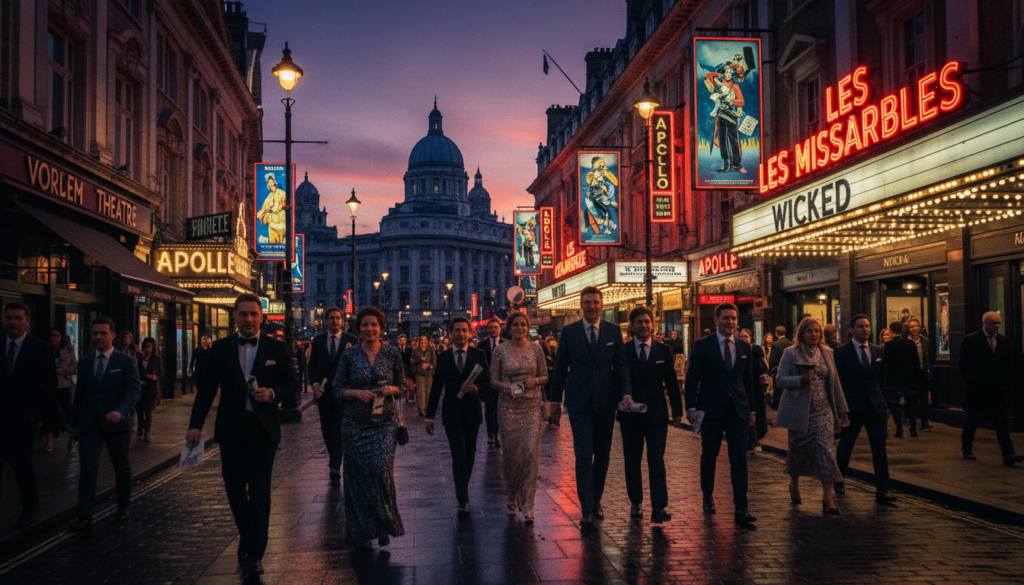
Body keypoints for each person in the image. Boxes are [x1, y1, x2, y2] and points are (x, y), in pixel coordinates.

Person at [186, 294, 294, 576]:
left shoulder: (276, 348)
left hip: (263, 429)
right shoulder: (220, 348)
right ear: (235, 316)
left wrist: (272, 393)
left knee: (259, 492)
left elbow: (291, 385)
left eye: (253, 314)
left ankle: (255, 553)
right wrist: (195, 424)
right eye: (243, 314)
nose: (248, 319)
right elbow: (207, 388)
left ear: (262, 317)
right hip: (232, 428)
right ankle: (247, 535)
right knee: (233, 488)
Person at [549, 287, 632, 526]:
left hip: (606, 402)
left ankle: (596, 500)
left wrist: (626, 392)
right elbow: (560, 366)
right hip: (579, 403)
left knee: (603, 455)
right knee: (584, 454)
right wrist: (554, 401)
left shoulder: (614, 331)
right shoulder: (569, 331)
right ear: (581, 305)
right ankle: (586, 507)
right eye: (587, 302)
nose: (592, 306)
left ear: (602, 304)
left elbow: (622, 365)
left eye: (596, 302)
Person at [332, 307, 405, 550]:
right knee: (357, 476)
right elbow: (337, 388)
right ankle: (363, 527)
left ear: (380, 327)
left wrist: (391, 390)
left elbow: (402, 386)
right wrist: (356, 393)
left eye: (374, 325)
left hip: (384, 421)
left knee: (380, 470)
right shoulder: (349, 355)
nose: (369, 329)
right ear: (358, 328)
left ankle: (383, 522)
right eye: (365, 325)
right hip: (355, 423)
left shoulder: (392, 353)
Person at [685, 303, 757, 524]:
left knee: (739, 458)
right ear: (716, 321)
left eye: (734, 318)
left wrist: (752, 410)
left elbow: (748, 381)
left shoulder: (745, 347)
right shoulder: (702, 345)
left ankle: (741, 508)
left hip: (738, 410)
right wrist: (691, 406)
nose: (730, 322)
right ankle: (707, 496)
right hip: (711, 409)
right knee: (710, 455)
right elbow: (692, 378)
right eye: (726, 318)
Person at [69, 316, 141, 533]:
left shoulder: (126, 361)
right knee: (88, 470)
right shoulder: (85, 362)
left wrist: (120, 411)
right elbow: (80, 395)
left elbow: (134, 390)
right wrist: (74, 424)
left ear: (113, 335)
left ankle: (123, 506)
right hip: (90, 423)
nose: (98, 337)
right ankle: (85, 516)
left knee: (121, 467)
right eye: (94, 333)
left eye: (102, 333)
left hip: (117, 424)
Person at [776, 317, 850, 514]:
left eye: (817, 331)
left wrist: (842, 410)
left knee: (826, 451)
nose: (814, 334)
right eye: (809, 331)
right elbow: (780, 379)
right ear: (801, 333)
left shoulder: (827, 353)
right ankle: (794, 483)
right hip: (799, 413)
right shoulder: (790, 353)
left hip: (823, 411)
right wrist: (800, 379)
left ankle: (828, 497)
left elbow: (835, 384)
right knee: (797, 452)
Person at [620, 307, 682, 523]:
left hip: (657, 415)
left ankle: (658, 507)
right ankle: (635, 503)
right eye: (639, 322)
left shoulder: (663, 350)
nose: (643, 325)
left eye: (647, 321)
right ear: (632, 325)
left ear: (653, 324)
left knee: (656, 460)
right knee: (632, 461)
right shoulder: (624, 350)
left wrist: (677, 410)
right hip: (631, 416)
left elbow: (671, 381)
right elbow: (617, 379)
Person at [425, 317, 490, 518]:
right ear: (450, 333)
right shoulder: (443, 357)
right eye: (457, 331)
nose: (460, 334)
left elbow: (488, 384)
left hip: (472, 411)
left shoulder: (479, 354)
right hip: (451, 412)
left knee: (470, 454)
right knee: (458, 455)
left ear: (469, 333)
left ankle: (463, 485)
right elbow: (436, 387)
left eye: (464, 330)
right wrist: (429, 415)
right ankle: (463, 499)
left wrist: (476, 388)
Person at [2, 303, 57, 528]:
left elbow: (49, 385)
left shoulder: (40, 348)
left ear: (27, 321)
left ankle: (29, 508)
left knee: (22, 464)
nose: (12, 322)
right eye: (8, 318)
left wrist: (38, 415)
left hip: (24, 418)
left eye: (17, 318)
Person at [832, 315, 897, 503]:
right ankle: (839, 479)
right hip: (851, 408)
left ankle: (882, 490)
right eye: (860, 326)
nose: (865, 329)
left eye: (867, 326)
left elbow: (883, 380)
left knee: (879, 449)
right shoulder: (841, 352)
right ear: (852, 329)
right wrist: (840, 408)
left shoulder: (878, 351)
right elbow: (838, 382)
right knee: (846, 446)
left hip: (876, 408)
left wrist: (885, 403)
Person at [491, 312, 548, 523]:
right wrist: (508, 388)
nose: (520, 328)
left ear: (528, 327)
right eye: (515, 325)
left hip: (532, 406)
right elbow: (493, 380)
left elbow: (545, 376)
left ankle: (528, 504)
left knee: (530, 453)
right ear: (509, 328)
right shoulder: (500, 350)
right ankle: (512, 493)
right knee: (512, 456)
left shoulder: (536, 348)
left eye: (523, 324)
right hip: (509, 407)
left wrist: (535, 381)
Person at [959, 312, 1024, 465]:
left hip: (996, 389)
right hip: (977, 388)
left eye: (998, 323)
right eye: (994, 323)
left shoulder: (1003, 341)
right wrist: (973, 379)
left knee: (1001, 421)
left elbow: (1008, 363)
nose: (996, 326)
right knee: (972, 419)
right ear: (985, 323)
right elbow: (963, 363)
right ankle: (966, 448)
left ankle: (1008, 454)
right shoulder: (971, 340)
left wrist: (1004, 382)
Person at [308, 307, 358, 486]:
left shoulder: (351, 340)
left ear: (342, 321)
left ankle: (335, 464)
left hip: (344, 393)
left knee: (340, 428)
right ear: (325, 321)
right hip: (324, 392)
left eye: (338, 318)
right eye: (331, 318)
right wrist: (314, 384)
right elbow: (312, 366)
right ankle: (334, 458)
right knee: (327, 429)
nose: (335, 321)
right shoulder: (319, 341)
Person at [705, 65, 746, 173]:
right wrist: (720, 74)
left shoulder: (735, 87)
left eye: (730, 72)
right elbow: (709, 75)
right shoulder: (718, 85)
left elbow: (742, 102)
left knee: (733, 140)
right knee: (722, 140)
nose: (728, 74)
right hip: (721, 115)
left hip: (732, 116)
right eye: (726, 72)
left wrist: (731, 100)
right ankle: (725, 164)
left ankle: (736, 164)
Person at [883, 322, 921, 438]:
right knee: (912, 404)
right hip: (910, 378)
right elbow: (916, 362)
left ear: (891, 331)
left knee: (894, 403)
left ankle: (899, 429)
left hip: (894, 379)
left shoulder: (889, 345)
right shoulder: (911, 344)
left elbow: (887, 364)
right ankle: (913, 429)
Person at [45, 327, 77, 453]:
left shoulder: (67, 351)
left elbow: (75, 368)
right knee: (50, 413)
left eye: (56, 335)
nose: (53, 338)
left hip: (63, 385)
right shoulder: (45, 350)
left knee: (67, 411)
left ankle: (72, 434)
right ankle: (49, 440)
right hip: (48, 386)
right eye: (51, 335)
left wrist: (63, 370)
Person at [738, 329, 768, 453]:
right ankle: (751, 441)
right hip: (743, 386)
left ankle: (756, 439)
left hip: (755, 385)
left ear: (750, 337)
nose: (744, 338)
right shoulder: (737, 348)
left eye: (746, 336)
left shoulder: (755, 349)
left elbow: (764, 366)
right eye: (741, 336)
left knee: (757, 412)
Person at [480, 318, 505, 448]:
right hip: (488, 384)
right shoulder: (481, 345)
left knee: (500, 410)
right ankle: (491, 436)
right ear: (487, 329)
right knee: (490, 410)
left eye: (495, 327)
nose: (493, 330)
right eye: (491, 327)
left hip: (502, 385)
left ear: (499, 329)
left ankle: (498, 435)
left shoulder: (505, 344)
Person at [135, 337, 163, 443]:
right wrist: (146, 376)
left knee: (148, 411)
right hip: (140, 388)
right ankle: (140, 427)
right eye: (145, 346)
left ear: (152, 348)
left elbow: (160, 371)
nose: (147, 349)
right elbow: (136, 371)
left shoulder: (156, 358)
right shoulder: (139, 358)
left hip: (151, 389)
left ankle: (147, 432)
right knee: (140, 410)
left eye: (149, 347)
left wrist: (155, 376)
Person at [907, 318, 934, 431]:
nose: (915, 328)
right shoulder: (905, 341)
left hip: (923, 373)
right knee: (911, 399)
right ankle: (911, 422)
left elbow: (929, 358)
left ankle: (925, 422)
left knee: (924, 399)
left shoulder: (924, 341)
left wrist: (929, 372)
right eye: (912, 326)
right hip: (911, 375)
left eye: (917, 326)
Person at [256, 172, 287, 244]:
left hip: (281, 221)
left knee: (280, 243)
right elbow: (264, 207)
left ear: (274, 182)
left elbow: (283, 206)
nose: (270, 184)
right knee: (273, 242)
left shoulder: (282, 193)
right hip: (272, 223)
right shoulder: (269, 196)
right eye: (269, 183)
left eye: (271, 182)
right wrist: (263, 213)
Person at [410, 334, 436, 418]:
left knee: (428, 391)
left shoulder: (430, 350)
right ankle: (421, 409)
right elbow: (412, 362)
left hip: (428, 374)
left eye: (425, 340)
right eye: (422, 340)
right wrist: (419, 367)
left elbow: (434, 361)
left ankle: (427, 409)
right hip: (419, 374)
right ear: (419, 341)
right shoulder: (415, 351)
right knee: (421, 392)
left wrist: (430, 366)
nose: (424, 342)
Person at [770, 326, 793, 409]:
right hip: (789, 368)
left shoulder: (775, 344)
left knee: (778, 387)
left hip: (778, 368)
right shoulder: (790, 343)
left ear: (776, 333)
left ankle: (777, 405)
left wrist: (770, 370)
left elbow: (772, 359)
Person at [395, 334, 414, 401]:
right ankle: (404, 395)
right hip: (399, 369)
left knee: (409, 383)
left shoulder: (409, 348)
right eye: (400, 340)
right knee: (402, 383)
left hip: (408, 368)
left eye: (403, 340)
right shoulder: (395, 349)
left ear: (405, 340)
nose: (402, 341)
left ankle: (409, 396)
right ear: (398, 341)